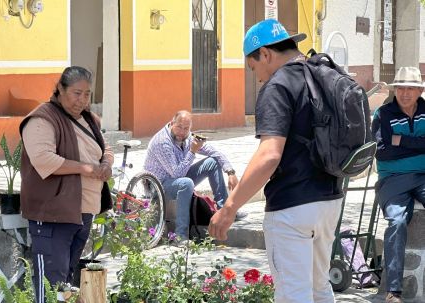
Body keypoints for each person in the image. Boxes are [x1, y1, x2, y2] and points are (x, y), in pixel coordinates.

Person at [209, 19, 344, 303]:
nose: (257, 77)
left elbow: (270, 155)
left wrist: (229, 207)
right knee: (320, 288)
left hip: (292, 207)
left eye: (254, 67)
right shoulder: (322, 73)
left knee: (293, 295)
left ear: (266, 54)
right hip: (330, 200)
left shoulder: (278, 85)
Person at [19, 66, 114, 303]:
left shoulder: (90, 119)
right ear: (60, 89)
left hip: (84, 210)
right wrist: (87, 168)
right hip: (53, 213)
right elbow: (43, 159)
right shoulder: (42, 118)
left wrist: (106, 163)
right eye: (76, 93)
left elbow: (106, 148)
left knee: (68, 281)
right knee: (51, 282)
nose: (82, 100)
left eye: (87, 94)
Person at [143, 110, 240, 243]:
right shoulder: (162, 142)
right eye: (179, 127)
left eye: (186, 128)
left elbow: (214, 152)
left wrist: (230, 172)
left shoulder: (187, 137)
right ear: (172, 123)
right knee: (186, 183)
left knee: (212, 162)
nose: (182, 132)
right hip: (159, 186)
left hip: (177, 177)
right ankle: (180, 236)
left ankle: (224, 210)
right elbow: (177, 174)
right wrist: (192, 151)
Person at [372, 66, 425, 303]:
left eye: (411, 88)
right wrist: (419, 144)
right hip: (392, 179)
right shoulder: (383, 114)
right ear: (395, 89)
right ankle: (393, 292)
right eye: (401, 88)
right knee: (396, 221)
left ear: (419, 90)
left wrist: (400, 140)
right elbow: (382, 153)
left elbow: (393, 146)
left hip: (423, 175)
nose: (405, 93)